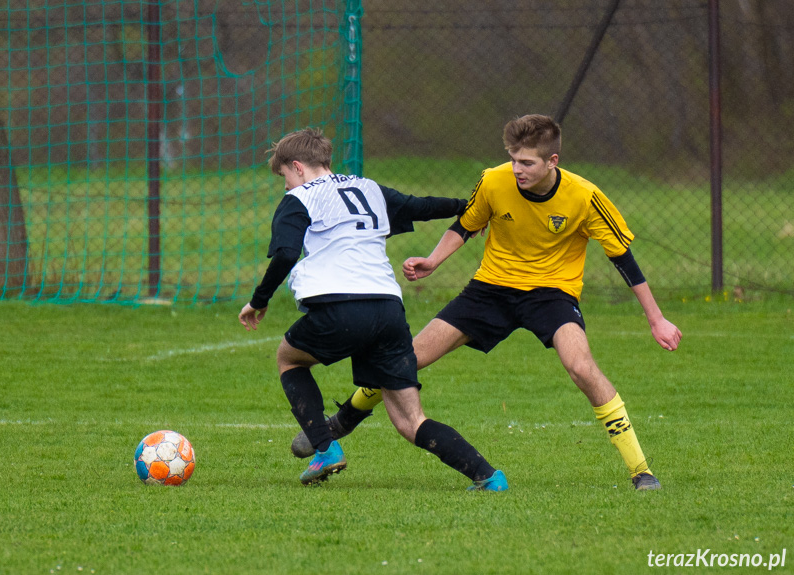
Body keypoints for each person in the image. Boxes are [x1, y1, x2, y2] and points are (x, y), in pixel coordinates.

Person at [290, 115, 682, 491]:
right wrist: (432, 261)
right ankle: (343, 420)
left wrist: (657, 319)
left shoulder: (584, 196)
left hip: (552, 295)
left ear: (552, 161)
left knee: (580, 366)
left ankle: (641, 470)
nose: (517, 169)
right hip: (489, 291)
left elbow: (623, 258)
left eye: (527, 162)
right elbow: (466, 224)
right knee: (404, 359)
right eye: (513, 160)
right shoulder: (494, 181)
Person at [238, 127, 507, 491]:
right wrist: (472, 208)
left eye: (284, 176)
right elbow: (421, 206)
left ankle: (325, 449)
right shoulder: (368, 188)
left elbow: (286, 252)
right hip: (388, 311)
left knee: (289, 358)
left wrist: (259, 300)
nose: (285, 185)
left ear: (297, 167)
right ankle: (487, 475)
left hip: (339, 307)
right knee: (411, 419)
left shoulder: (298, 198)